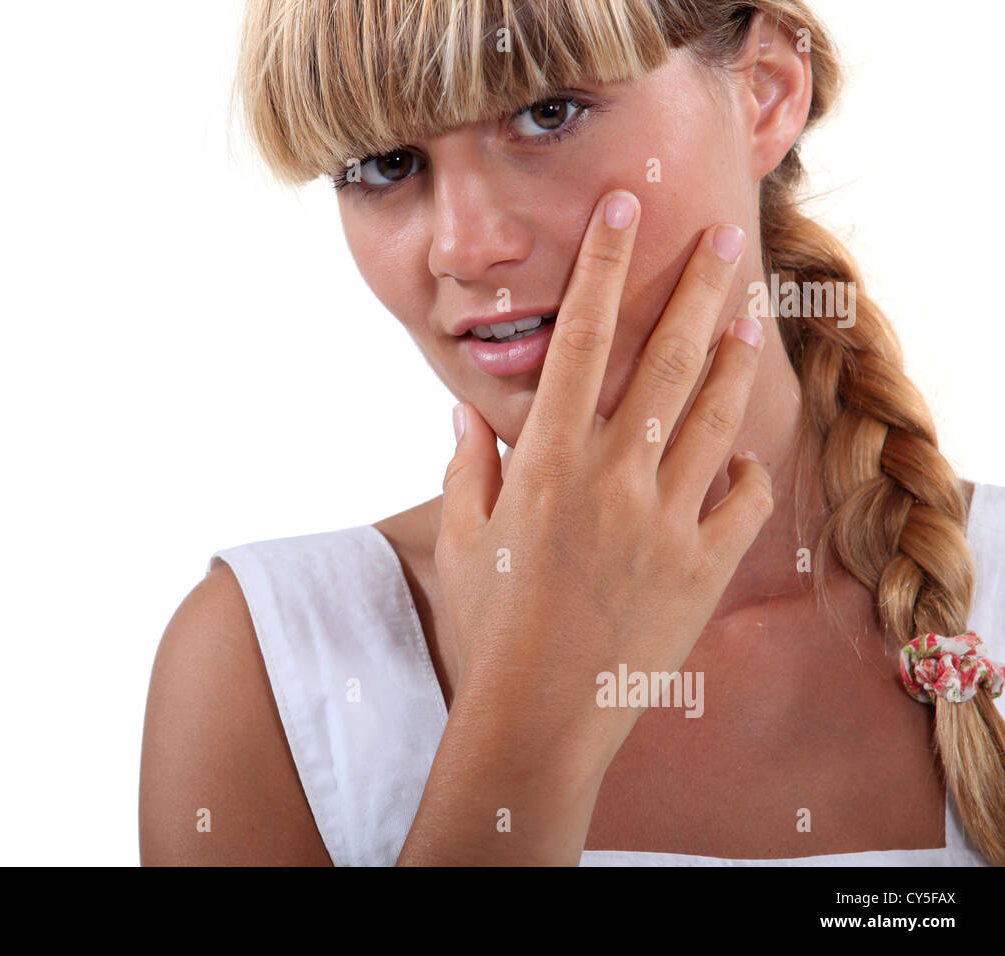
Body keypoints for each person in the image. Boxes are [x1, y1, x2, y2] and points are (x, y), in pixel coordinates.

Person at [139, 0, 1005, 865]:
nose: (463, 249)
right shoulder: (261, 667)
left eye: (547, 114)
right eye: (384, 163)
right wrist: (525, 724)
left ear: (766, 93)